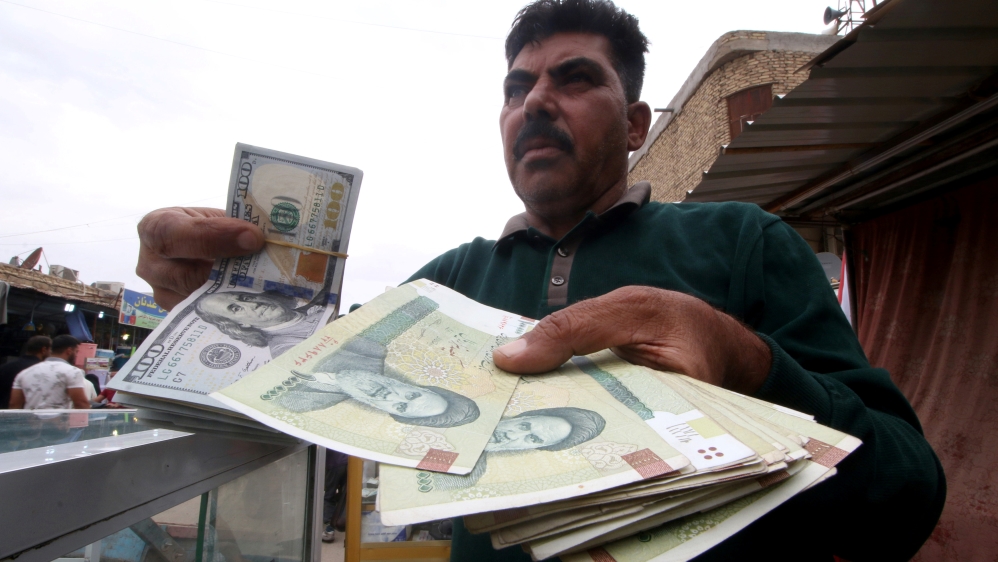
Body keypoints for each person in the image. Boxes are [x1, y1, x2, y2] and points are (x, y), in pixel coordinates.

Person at [130, 1, 945, 560]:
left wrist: (748, 363)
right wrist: (210, 305)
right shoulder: (445, 283)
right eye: (517, 88)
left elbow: (907, 498)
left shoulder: (741, 243)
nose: (536, 102)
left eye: (575, 79)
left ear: (636, 124)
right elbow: (281, 397)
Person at [276, 337, 481, 428]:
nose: (391, 396)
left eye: (401, 407)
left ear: (394, 414)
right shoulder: (370, 348)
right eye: (411, 395)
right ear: (416, 386)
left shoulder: (301, 405)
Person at [194, 289, 327, 357]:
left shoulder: (320, 301)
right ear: (240, 324)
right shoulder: (285, 349)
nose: (253, 304)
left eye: (245, 298)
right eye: (236, 309)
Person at [9, 335, 91, 410]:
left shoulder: (25, 373)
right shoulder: (72, 372)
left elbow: (14, 404)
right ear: (69, 351)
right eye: (76, 351)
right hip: (57, 420)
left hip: (31, 420)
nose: (76, 355)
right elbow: (81, 404)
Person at [0, 335, 51, 409]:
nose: (51, 353)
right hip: (28, 412)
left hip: (4, 411)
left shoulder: (5, 367)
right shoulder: (43, 369)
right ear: (44, 350)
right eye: (50, 350)